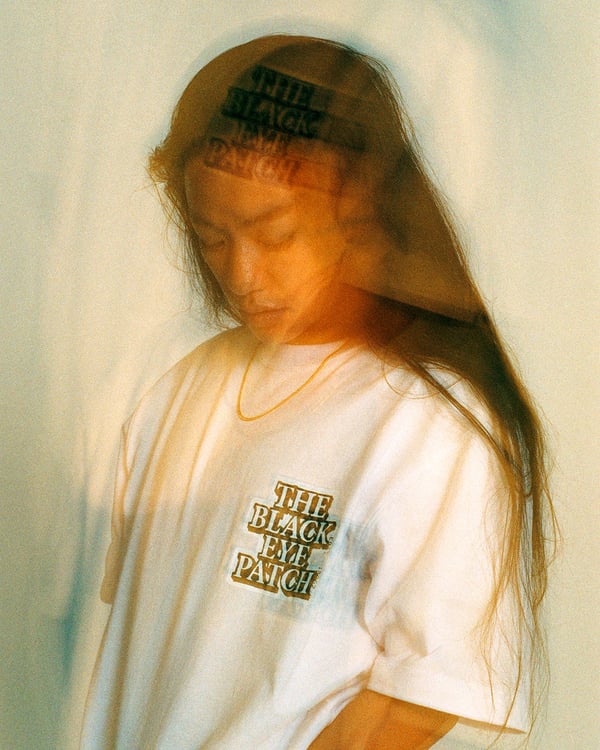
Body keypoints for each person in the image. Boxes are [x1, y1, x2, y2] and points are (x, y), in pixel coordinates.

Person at [80, 35, 556, 749]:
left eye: (275, 234)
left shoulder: (428, 424)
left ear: (357, 208)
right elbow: (158, 654)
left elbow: (415, 703)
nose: (242, 274)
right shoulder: (179, 391)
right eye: (212, 238)